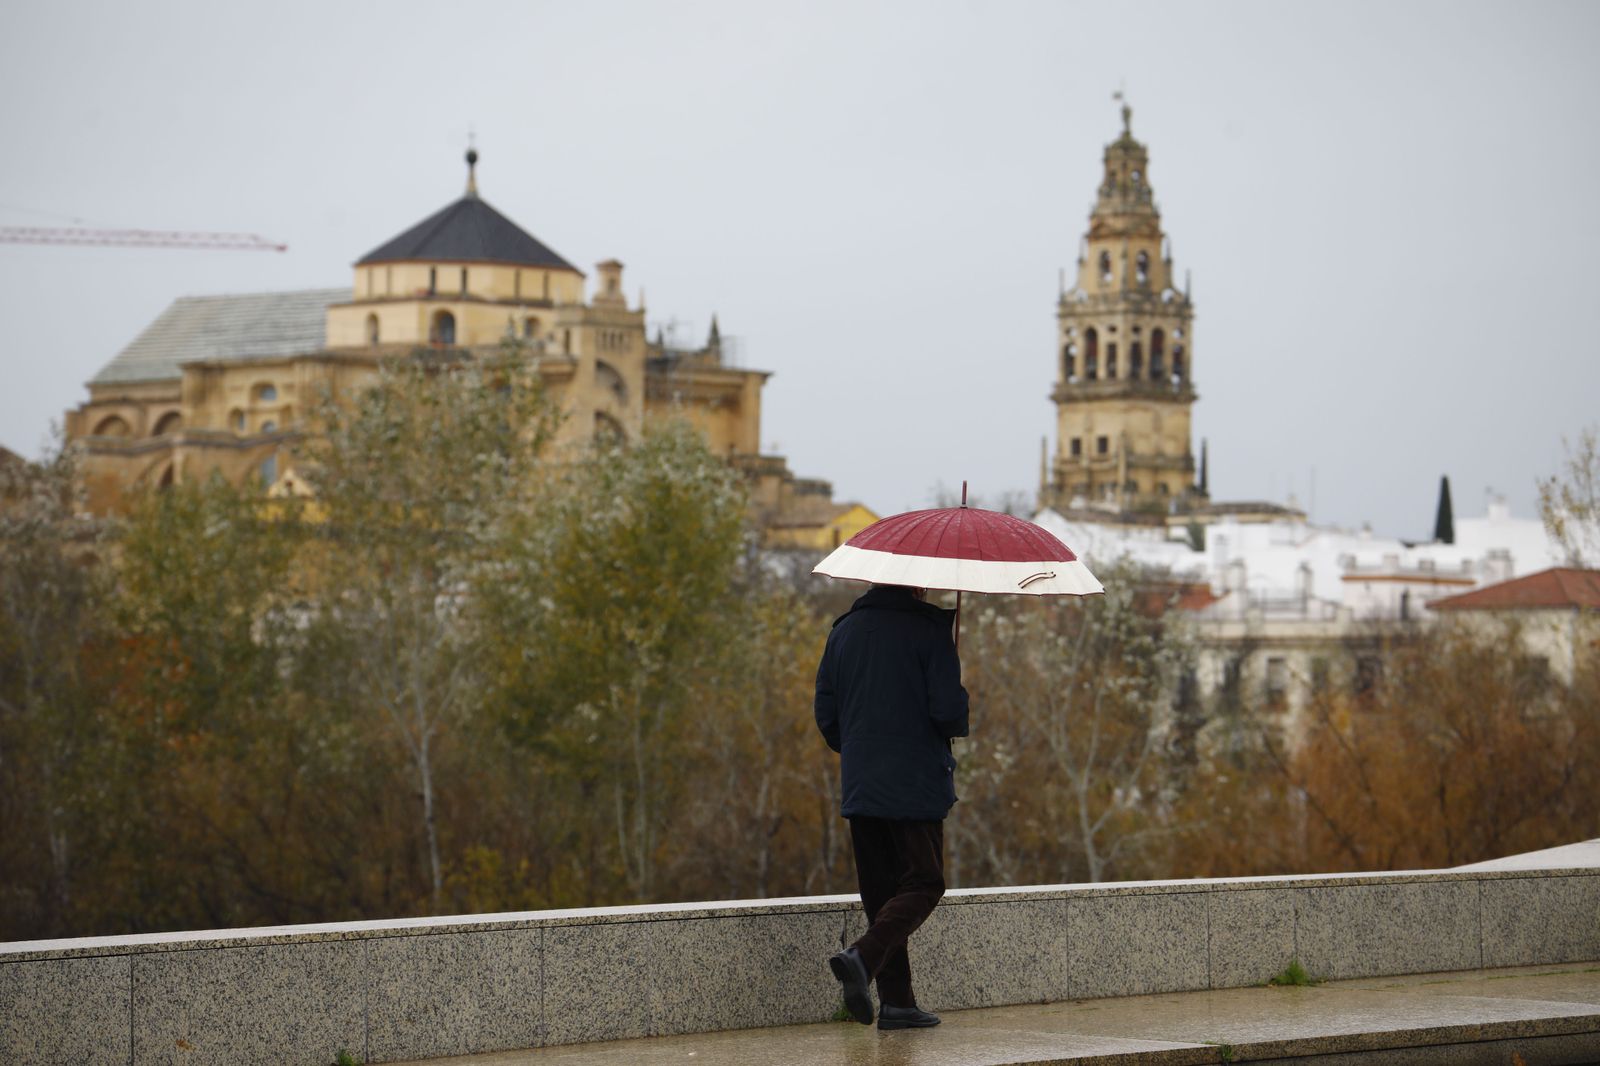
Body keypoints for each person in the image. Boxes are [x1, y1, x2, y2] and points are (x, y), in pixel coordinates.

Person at [814, 582, 969, 1030]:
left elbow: (827, 716)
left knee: (883, 894)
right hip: (914, 782)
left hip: (863, 783)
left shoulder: (842, 633)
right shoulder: (928, 632)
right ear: (918, 585)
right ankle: (861, 957)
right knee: (924, 881)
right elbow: (947, 713)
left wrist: (864, 751)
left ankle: (898, 1003)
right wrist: (959, 697)